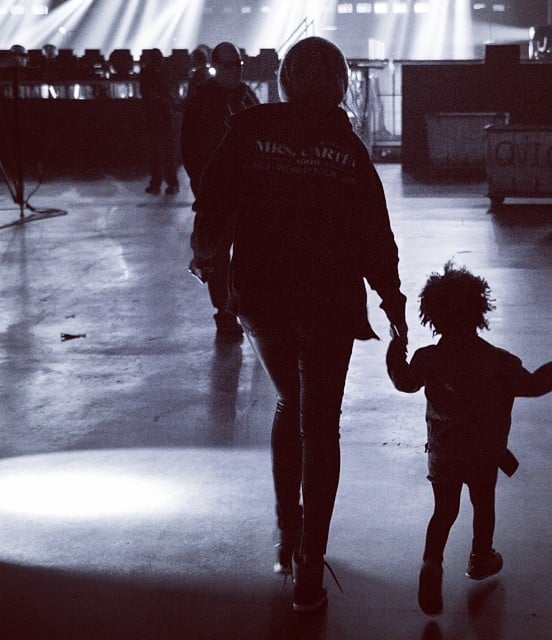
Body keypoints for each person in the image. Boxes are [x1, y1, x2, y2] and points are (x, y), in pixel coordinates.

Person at [190, 36, 408, 613]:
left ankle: (289, 531)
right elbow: (375, 236)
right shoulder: (349, 148)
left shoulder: (248, 129)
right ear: (338, 85)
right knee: (321, 424)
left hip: (263, 297)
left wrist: (206, 250)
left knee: (293, 405)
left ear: (284, 80)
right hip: (331, 302)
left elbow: (212, 200)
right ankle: (310, 567)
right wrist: (392, 302)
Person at [386, 261, 552, 615]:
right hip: (483, 454)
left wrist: (396, 346)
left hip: (443, 453)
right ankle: (480, 557)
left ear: (433, 316)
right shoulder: (498, 362)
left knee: (444, 511)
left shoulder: (428, 359)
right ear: (480, 311)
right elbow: (534, 385)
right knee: (483, 504)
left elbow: (404, 381)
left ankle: (432, 563)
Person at [182, 42, 259, 340]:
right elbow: (190, 147)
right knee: (218, 255)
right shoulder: (204, 100)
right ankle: (225, 313)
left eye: (237, 64)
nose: (235, 70)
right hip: (218, 192)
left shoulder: (245, 96)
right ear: (216, 67)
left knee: (247, 252)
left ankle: (240, 309)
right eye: (229, 65)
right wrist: (202, 186)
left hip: (246, 191)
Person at [139, 48, 180, 195]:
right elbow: (170, 92)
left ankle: (156, 183)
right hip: (165, 115)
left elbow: (146, 93)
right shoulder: (166, 73)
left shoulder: (145, 73)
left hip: (153, 116)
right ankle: (172, 183)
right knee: (168, 152)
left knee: (154, 152)